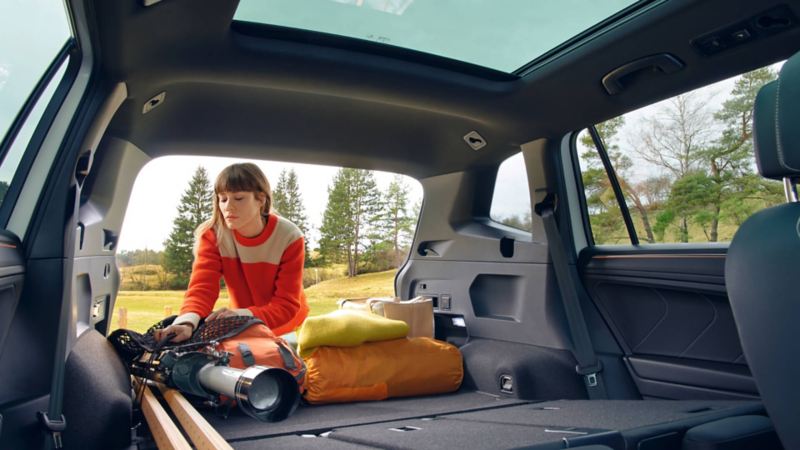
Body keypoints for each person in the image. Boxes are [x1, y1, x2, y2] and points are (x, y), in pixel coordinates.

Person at [155, 163, 308, 343]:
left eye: (239, 198)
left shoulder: (290, 236)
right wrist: (187, 321)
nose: (228, 207)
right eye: (223, 199)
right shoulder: (213, 235)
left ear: (261, 199)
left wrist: (240, 315)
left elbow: (285, 306)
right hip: (242, 323)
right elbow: (202, 289)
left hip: (289, 327)